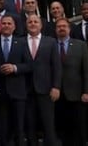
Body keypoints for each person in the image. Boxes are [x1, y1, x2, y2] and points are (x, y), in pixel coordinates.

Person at [55, 17, 88, 146]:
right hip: (58, 96)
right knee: (63, 131)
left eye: (64, 26)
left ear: (69, 29)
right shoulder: (51, 45)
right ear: (55, 29)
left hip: (78, 95)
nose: (61, 28)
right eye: (59, 26)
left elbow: (87, 70)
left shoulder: (80, 45)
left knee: (80, 130)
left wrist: (87, 91)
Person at [23, 13, 61, 146]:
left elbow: (56, 66)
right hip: (26, 91)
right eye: (30, 22)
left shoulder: (50, 42)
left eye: (35, 22)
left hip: (46, 89)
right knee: (30, 126)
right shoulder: (20, 42)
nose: (33, 24)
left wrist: (56, 87)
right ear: (26, 25)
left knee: (48, 125)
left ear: (41, 25)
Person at [0, 14, 28, 146]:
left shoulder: (22, 42)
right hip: (0, 92)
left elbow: (30, 65)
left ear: (14, 27)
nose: (6, 26)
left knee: (19, 128)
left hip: (18, 91)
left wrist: (15, 67)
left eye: (9, 24)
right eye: (4, 23)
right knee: (2, 129)